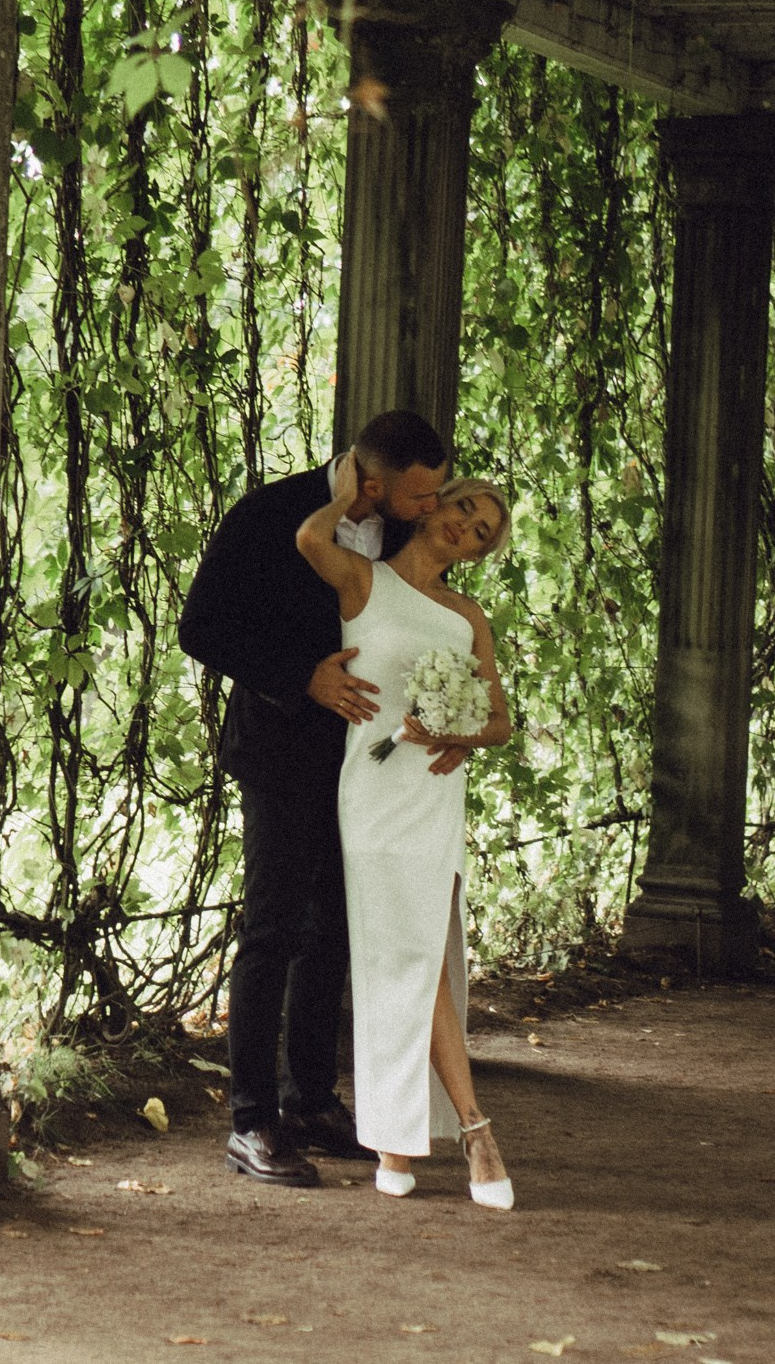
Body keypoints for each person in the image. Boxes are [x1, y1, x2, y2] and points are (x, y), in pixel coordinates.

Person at [178, 411, 452, 1186]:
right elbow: (201, 627)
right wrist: (302, 676)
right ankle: (251, 1121)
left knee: (333, 927)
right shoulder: (269, 513)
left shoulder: (404, 533)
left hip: (369, 760)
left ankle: (310, 1099)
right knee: (272, 928)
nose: (431, 507)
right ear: (375, 483)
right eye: (421, 494)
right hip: (279, 750)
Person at [297, 466, 517, 1207]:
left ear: (479, 553)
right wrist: (350, 494)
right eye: (465, 508)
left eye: (482, 531)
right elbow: (309, 538)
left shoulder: (466, 616)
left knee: (423, 957)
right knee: (401, 958)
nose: (467, 527)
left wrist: (454, 734)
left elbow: (499, 722)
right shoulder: (364, 580)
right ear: (434, 506)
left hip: (433, 795)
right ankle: (475, 1130)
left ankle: (400, 1143)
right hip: (373, 796)